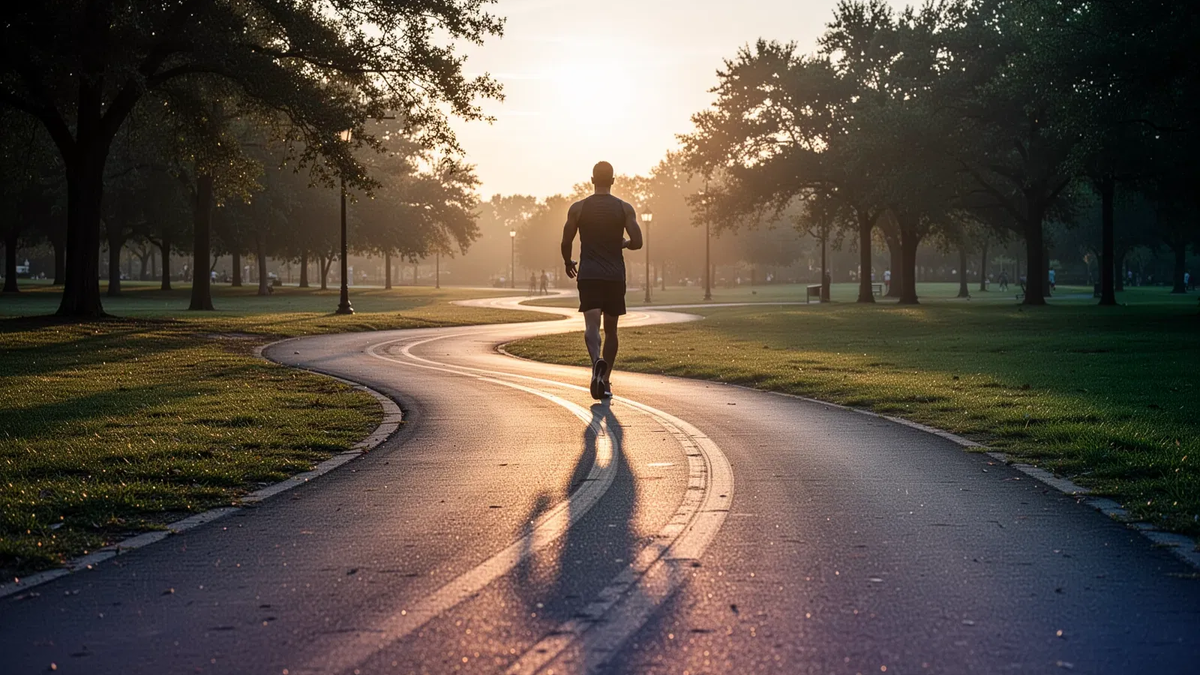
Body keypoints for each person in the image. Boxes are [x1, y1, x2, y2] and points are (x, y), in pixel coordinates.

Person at [561, 161, 643, 399]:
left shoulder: (578, 208)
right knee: (611, 330)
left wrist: (568, 262)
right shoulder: (624, 208)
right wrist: (625, 243)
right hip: (614, 276)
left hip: (589, 275)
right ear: (613, 181)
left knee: (591, 326)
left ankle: (596, 361)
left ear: (592, 180)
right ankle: (605, 381)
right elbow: (638, 242)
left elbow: (566, 241)